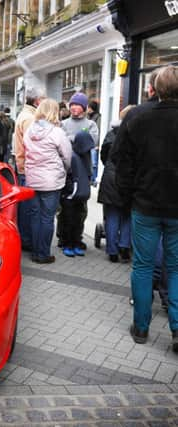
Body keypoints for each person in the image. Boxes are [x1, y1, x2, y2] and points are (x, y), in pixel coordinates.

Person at [114, 65, 178, 349]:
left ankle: (141, 327)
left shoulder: (138, 117)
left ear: (155, 87)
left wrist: (129, 194)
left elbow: (118, 160)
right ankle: (177, 329)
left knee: (142, 265)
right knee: (176, 268)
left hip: (145, 204)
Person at [24, 98, 72, 264]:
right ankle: (43, 254)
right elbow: (67, 156)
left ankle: (35, 251)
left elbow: (25, 150)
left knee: (35, 216)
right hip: (51, 181)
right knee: (47, 218)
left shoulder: (30, 130)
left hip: (32, 179)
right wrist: (63, 170)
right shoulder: (56, 132)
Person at [60, 92, 99, 250]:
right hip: (68, 172)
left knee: (80, 208)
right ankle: (64, 238)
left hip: (84, 172)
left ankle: (77, 238)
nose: (75, 108)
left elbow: (92, 141)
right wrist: (78, 138)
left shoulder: (91, 125)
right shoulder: (63, 123)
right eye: (72, 105)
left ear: (84, 107)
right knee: (65, 208)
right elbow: (61, 142)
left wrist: (73, 138)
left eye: (78, 105)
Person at [97, 105, 134, 263]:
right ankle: (124, 247)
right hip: (130, 180)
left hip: (111, 178)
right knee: (127, 215)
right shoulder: (137, 135)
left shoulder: (111, 134)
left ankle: (112, 251)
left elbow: (104, 156)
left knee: (112, 215)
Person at [14, 87, 45, 252]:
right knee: (28, 208)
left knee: (25, 207)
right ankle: (26, 240)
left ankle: (25, 237)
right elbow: (31, 145)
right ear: (38, 101)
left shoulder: (24, 114)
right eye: (44, 98)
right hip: (27, 167)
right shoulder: (30, 118)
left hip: (23, 165)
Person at [58, 131, 94, 257]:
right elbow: (66, 174)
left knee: (78, 221)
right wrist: (69, 190)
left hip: (78, 194)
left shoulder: (83, 156)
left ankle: (75, 243)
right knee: (69, 220)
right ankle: (68, 244)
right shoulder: (72, 156)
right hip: (71, 195)